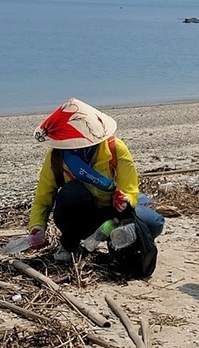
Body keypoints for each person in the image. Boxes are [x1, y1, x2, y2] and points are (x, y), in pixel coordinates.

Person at [13, 98, 164, 262]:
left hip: (112, 216)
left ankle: (117, 243)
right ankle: (70, 242)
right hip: (76, 218)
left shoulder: (115, 149)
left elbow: (130, 190)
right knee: (74, 191)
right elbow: (43, 198)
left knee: (153, 222)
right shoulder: (57, 155)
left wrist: (125, 200)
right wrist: (37, 227)